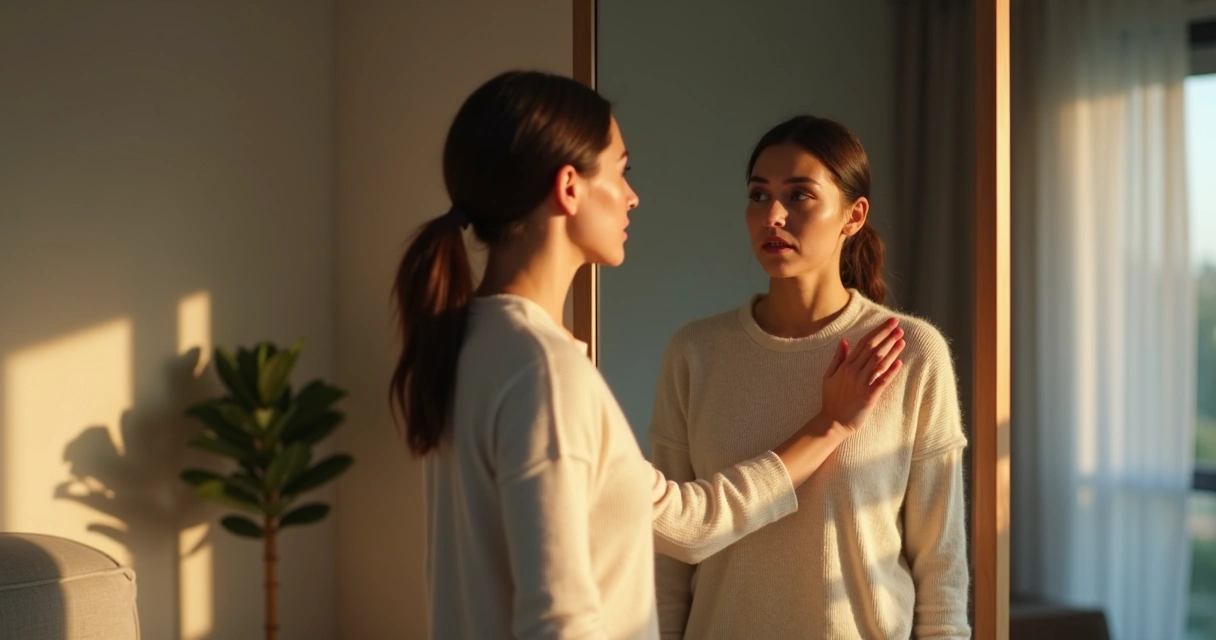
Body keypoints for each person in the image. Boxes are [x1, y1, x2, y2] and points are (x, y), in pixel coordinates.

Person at [389, 72, 906, 640]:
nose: (632, 195)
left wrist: (829, 425)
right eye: (621, 169)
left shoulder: (471, 344)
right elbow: (557, 623)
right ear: (569, 187)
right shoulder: (545, 372)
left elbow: (684, 521)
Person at [650, 115, 970, 640]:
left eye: (799, 196)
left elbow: (941, 570)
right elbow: (666, 566)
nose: (772, 215)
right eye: (758, 195)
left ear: (853, 215)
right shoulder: (695, 352)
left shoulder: (910, 353)